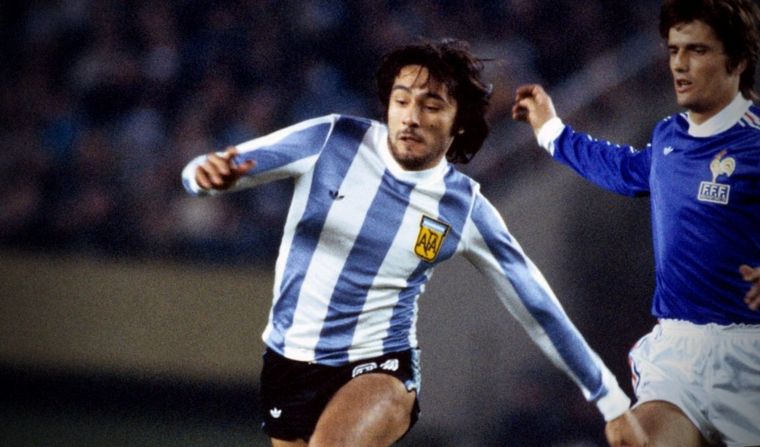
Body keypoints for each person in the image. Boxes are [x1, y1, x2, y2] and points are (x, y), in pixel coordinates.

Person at [182, 39, 646, 447]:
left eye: (431, 105)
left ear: (458, 122)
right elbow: (210, 167)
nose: (410, 116)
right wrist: (203, 177)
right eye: (401, 100)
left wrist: (611, 402)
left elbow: (537, 305)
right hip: (288, 362)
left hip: (379, 368)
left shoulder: (464, 207)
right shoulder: (332, 139)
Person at [512, 0, 760, 445]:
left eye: (697, 50)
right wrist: (551, 131)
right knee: (634, 438)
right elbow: (622, 168)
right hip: (679, 352)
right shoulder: (669, 136)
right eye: (673, 50)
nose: (679, 64)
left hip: (749, 356)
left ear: (738, 60)